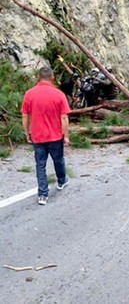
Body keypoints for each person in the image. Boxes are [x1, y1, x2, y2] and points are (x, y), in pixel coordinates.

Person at [21, 67, 71, 205]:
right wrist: (66, 136)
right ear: (52, 78)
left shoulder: (29, 94)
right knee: (58, 160)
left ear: (38, 77)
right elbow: (64, 118)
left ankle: (42, 194)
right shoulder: (59, 94)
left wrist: (27, 133)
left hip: (37, 136)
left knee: (40, 165)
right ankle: (61, 181)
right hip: (55, 136)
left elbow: (25, 116)